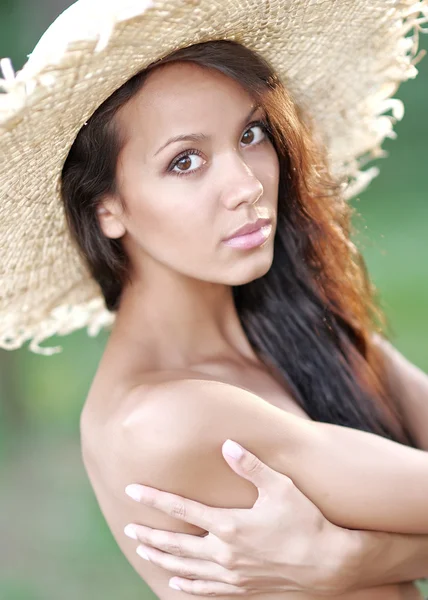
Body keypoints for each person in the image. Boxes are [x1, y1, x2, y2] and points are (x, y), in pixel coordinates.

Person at [1, 1, 428, 599]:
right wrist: (361, 560)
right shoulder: (159, 419)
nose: (248, 186)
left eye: (250, 134)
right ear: (108, 208)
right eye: (185, 161)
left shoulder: (291, 333)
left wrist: (350, 560)